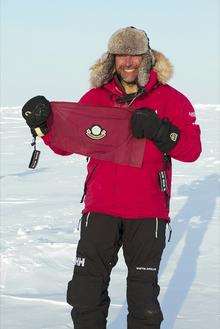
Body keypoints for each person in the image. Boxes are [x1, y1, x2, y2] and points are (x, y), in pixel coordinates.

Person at [22, 26, 202, 329]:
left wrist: (161, 131)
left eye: (135, 54)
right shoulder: (95, 98)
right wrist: (44, 125)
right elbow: (69, 141)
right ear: (112, 58)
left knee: (143, 302)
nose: (128, 62)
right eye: (122, 55)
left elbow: (192, 149)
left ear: (146, 57)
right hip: (101, 208)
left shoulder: (171, 100)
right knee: (85, 294)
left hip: (147, 213)